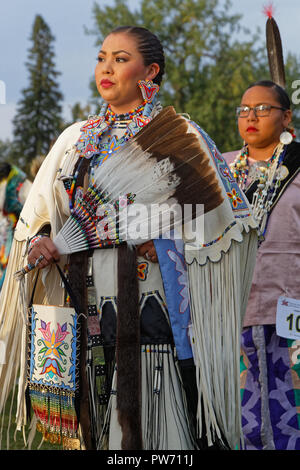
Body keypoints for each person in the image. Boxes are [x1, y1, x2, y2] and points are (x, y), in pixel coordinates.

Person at [0, 26, 257, 451]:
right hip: (82, 302)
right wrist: (44, 239)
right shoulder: (75, 140)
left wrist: (167, 244)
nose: (106, 68)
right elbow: (44, 213)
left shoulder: (180, 138)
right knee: (95, 424)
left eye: (121, 59)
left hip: (150, 301)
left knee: (155, 428)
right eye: (102, 57)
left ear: (150, 72)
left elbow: (229, 223)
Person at [223, 80, 300, 450]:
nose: (250, 116)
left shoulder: (298, 166)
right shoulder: (219, 168)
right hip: (232, 308)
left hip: (291, 306)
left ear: (287, 117)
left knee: (291, 404)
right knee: (242, 411)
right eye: (243, 109)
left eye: (263, 109)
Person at [0, 162, 31, 289]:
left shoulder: (22, 185)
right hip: (8, 233)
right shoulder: (8, 184)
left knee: (10, 277)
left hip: (22, 235)